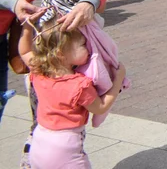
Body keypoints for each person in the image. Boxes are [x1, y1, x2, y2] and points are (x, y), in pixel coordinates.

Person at [21, 14, 126, 168]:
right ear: (61, 53)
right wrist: (118, 79)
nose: (88, 48)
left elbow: (23, 51)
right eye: (83, 45)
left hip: (39, 142)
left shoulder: (38, 71)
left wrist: (27, 26)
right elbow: (100, 107)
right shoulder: (79, 85)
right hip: (66, 148)